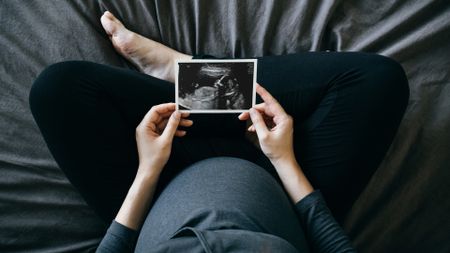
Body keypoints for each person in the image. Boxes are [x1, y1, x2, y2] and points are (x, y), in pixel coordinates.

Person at [28, 11, 409, 252]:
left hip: (155, 188)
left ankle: (186, 76)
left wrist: (147, 169)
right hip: (284, 186)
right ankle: (188, 72)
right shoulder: (282, 167)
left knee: (58, 89)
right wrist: (283, 160)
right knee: (378, 81)